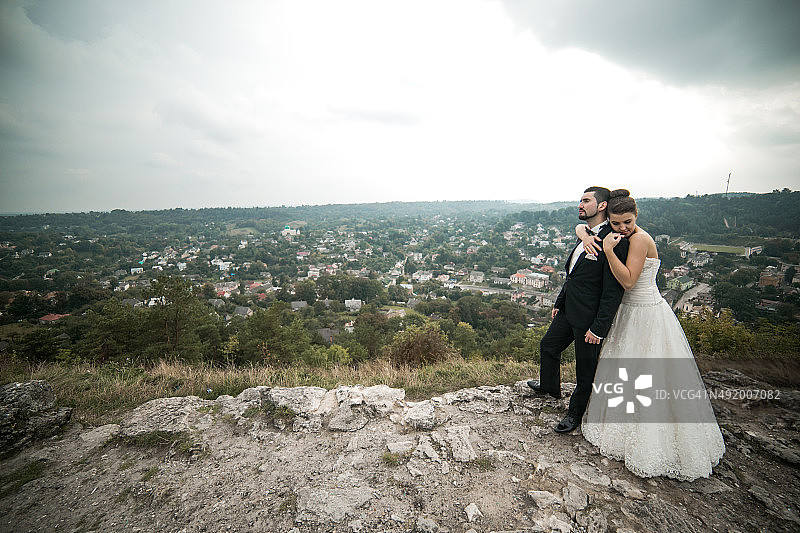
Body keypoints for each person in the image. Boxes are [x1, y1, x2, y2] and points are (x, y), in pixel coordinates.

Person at [577, 189, 725, 481]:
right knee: (625, 371)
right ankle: (620, 428)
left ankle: (652, 440)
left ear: (637, 216)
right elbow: (583, 225)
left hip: (645, 311)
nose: (622, 228)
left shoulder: (640, 239)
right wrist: (583, 231)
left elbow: (630, 281)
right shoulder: (622, 235)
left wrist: (607, 250)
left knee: (649, 373)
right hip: (628, 314)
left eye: (627, 222)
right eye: (616, 223)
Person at [528, 187, 629, 433]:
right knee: (548, 346)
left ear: (602, 205)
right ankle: (550, 387)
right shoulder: (586, 233)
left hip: (590, 318)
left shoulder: (612, 240)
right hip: (569, 309)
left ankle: (574, 414)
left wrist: (599, 327)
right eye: (580, 200)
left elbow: (613, 291)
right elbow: (573, 274)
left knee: (585, 370)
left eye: (586, 200)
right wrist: (559, 302)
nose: (580, 205)